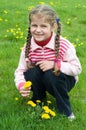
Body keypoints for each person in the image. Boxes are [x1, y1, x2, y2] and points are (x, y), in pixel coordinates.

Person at [14, 4, 82, 120]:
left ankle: (66, 111)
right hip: (41, 78)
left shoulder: (64, 45)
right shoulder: (28, 47)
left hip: (63, 81)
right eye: (34, 25)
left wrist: (56, 64)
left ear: (53, 26)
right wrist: (21, 85)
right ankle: (38, 100)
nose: (38, 30)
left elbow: (77, 68)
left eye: (43, 26)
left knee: (52, 74)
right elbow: (20, 71)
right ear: (30, 26)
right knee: (31, 72)